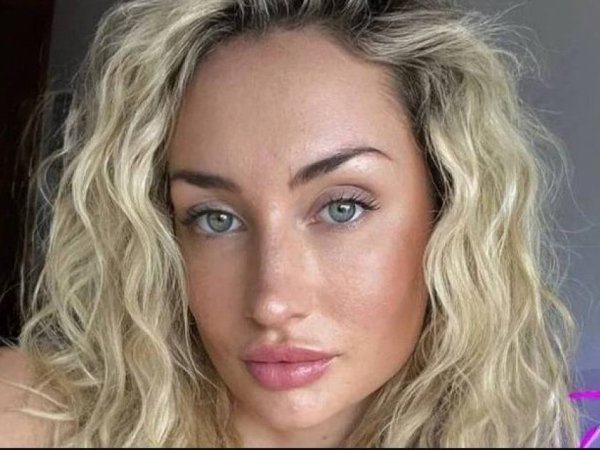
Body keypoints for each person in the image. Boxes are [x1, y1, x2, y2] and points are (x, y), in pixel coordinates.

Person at [0, 0, 582, 446]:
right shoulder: (30, 418)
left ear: (446, 210)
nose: (271, 301)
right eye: (215, 218)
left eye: (342, 208)